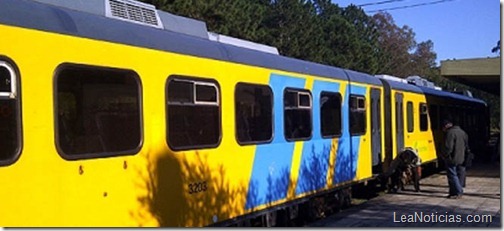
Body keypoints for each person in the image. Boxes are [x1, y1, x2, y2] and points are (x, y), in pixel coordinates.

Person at [441, 119, 469, 199]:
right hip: (462, 157)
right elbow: (466, 146)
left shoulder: (450, 133)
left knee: (452, 175)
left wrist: (444, 155)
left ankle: (458, 191)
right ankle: (454, 192)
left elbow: (448, 147)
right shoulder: (463, 132)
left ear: (446, 126)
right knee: (460, 174)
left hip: (452, 158)